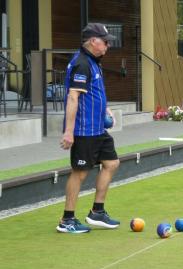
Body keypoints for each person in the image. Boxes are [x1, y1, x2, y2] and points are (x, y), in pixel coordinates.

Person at [57, 23, 120, 233]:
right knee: (80, 173)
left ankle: (97, 212)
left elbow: (93, 92)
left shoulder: (94, 62)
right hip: (84, 130)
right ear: (93, 41)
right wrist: (68, 131)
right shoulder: (82, 64)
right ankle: (66, 220)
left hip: (97, 128)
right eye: (105, 41)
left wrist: (105, 108)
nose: (108, 45)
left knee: (111, 163)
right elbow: (73, 98)